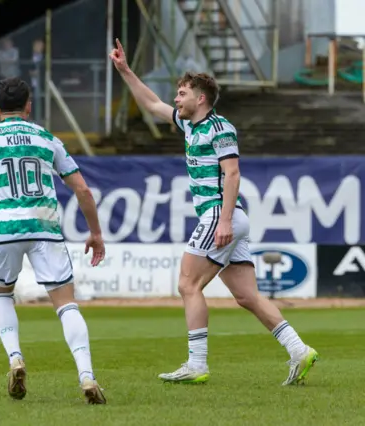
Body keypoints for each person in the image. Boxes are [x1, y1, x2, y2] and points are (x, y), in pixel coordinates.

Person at [109, 39, 318, 386]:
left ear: (200, 98)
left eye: (182, 93)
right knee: (247, 296)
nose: (176, 99)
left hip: (221, 215)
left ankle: (197, 364)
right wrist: (126, 71)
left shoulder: (221, 129)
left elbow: (232, 174)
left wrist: (222, 220)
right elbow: (152, 103)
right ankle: (299, 350)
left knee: (188, 284)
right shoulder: (191, 125)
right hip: (229, 218)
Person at [0, 77, 107, 404]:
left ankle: (15, 357)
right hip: (44, 227)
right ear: (29, 106)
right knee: (67, 305)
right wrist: (96, 233)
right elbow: (83, 190)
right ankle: (86, 375)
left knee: (2, 297)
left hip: (3, 229)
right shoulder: (48, 139)